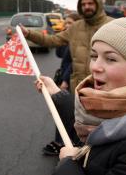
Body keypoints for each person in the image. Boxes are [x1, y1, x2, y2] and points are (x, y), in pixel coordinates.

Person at [36, 16, 126, 175]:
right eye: (94, 56)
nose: (95, 67)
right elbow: (96, 129)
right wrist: (58, 95)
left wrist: (68, 166)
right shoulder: (113, 109)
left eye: (110, 59)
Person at [21, 0, 113, 93]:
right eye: (83, 4)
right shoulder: (75, 27)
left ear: (98, 4)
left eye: (90, 3)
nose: (86, 7)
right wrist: (28, 34)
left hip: (105, 88)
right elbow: (52, 40)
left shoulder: (113, 25)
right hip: (78, 89)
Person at [43, 12, 81, 156]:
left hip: (70, 79)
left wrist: (65, 81)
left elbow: (73, 63)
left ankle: (62, 143)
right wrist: (63, 33)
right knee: (63, 110)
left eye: (70, 23)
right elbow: (59, 54)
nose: (67, 26)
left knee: (67, 112)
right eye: (66, 23)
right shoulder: (70, 37)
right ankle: (62, 141)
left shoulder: (79, 40)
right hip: (65, 76)